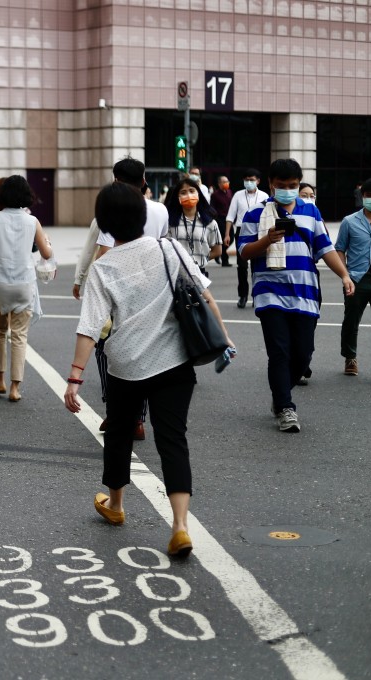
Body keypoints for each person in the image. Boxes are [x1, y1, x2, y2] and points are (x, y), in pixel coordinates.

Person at [64, 182, 234, 559]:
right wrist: (224, 338)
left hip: (126, 365)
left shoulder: (103, 267)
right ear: (143, 216)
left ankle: (116, 504)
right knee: (173, 439)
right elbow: (203, 294)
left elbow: (89, 327)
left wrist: (75, 377)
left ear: (105, 222)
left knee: (120, 434)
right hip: (175, 362)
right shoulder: (170, 247)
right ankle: (179, 526)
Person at [237, 158, 355, 433]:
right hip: (270, 293)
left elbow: (324, 249)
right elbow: (244, 252)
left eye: (292, 186)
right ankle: (285, 406)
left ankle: (280, 395)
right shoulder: (254, 214)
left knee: (303, 355)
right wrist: (267, 239)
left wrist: (345, 275)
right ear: (271, 185)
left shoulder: (311, 212)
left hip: (305, 293)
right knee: (279, 352)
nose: (287, 190)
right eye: (282, 186)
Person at [75, 157, 169, 440]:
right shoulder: (160, 210)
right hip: (152, 288)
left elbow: (104, 253)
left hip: (119, 289)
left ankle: (118, 410)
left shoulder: (113, 207)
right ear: (143, 181)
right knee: (144, 347)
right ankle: (138, 418)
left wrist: (87, 282)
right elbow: (161, 245)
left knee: (108, 348)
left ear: (115, 180)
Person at [0, 175, 52, 402]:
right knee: (19, 335)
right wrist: (48, 243)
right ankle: (15, 388)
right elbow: (46, 253)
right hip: (24, 283)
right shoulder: (32, 221)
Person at [334, 177, 371, 383]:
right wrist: (345, 275)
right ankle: (350, 357)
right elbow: (339, 249)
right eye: (369, 195)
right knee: (351, 321)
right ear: (362, 196)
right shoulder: (349, 221)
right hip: (356, 279)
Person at [225, 169, 270, 308]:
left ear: (258, 181)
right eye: (246, 180)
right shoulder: (238, 195)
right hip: (241, 231)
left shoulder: (264, 195)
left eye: (251, 180)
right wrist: (227, 234)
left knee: (257, 265)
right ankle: (242, 295)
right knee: (242, 266)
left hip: (259, 231)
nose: (249, 182)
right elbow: (230, 216)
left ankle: (256, 295)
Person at [165, 178, 223, 277]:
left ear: (198, 194)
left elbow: (217, 251)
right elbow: (165, 249)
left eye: (192, 191)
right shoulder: (170, 222)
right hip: (176, 273)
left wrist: (201, 258)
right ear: (178, 197)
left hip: (199, 273)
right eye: (183, 192)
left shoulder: (210, 223)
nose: (188, 195)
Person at [210, 176, 233, 266]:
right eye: (223, 182)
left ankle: (219, 253)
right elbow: (212, 207)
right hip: (220, 219)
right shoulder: (215, 195)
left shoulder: (230, 192)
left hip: (230, 219)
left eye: (227, 181)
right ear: (219, 184)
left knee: (231, 238)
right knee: (224, 238)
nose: (226, 183)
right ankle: (225, 260)